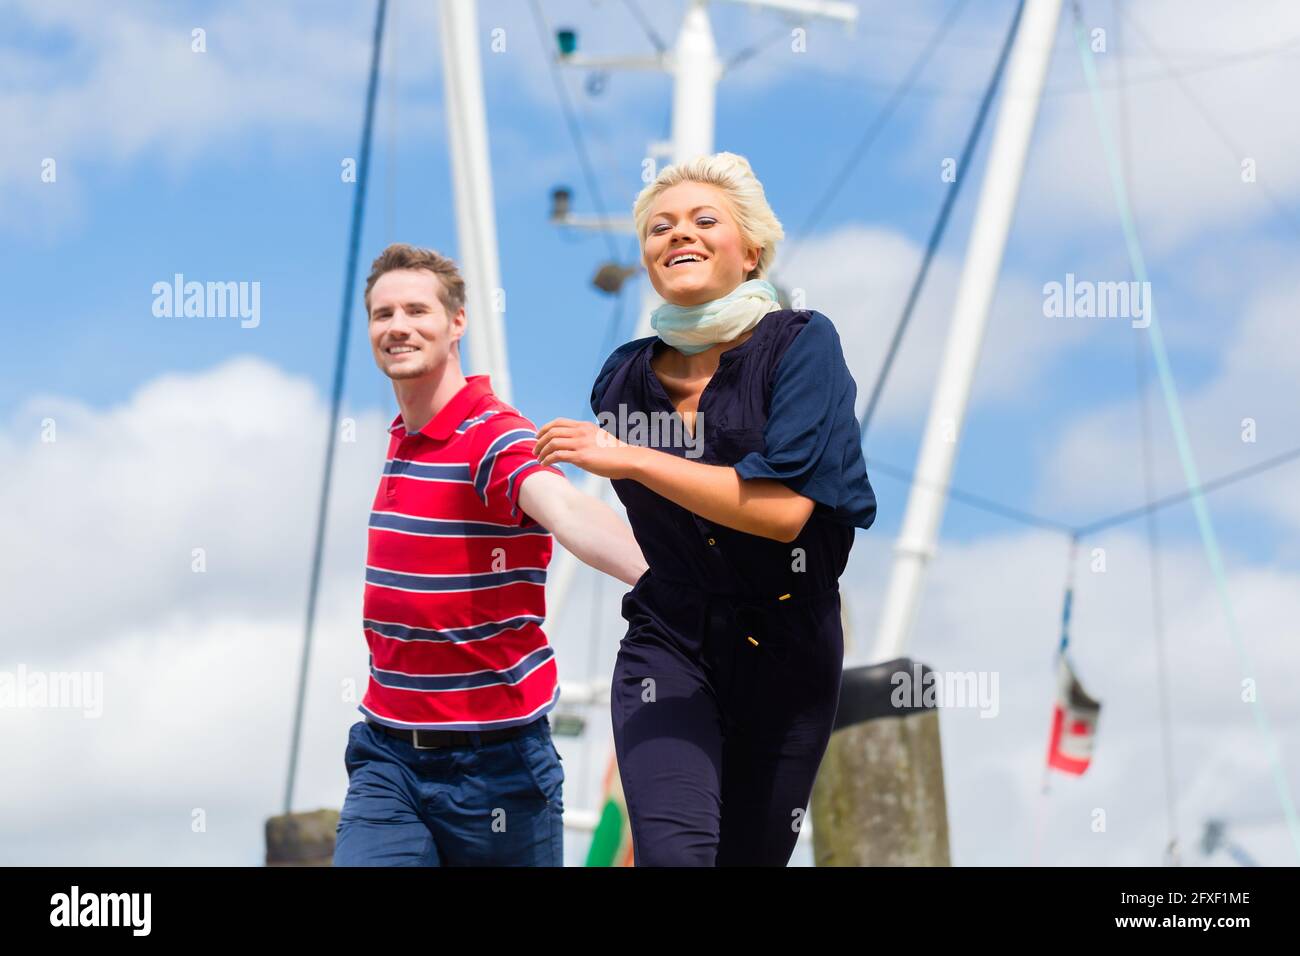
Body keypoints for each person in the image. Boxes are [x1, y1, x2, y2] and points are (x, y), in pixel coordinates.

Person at [534, 152, 876, 866]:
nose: (677, 235)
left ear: (751, 251)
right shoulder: (621, 382)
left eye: (702, 220)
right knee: (676, 857)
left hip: (792, 646)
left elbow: (782, 512)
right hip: (672, 641)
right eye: (659, 228)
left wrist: (628, 457)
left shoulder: (803, 343)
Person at [333, 243, 647, 867]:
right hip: (387, 756)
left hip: (496, 767)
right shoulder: (407, 435)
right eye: (382, 313)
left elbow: (561, 505)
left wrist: (673, 582)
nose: (397, 326)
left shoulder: (489, 432)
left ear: (457, 323)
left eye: (416, 310)